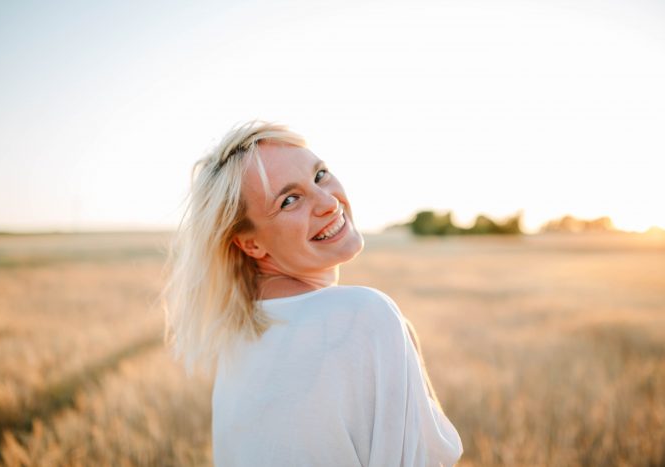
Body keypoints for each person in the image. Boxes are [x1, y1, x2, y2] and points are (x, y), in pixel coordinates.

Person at [162, 120, 463, 466]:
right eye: (289, 200)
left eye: (320, 175)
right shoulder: (364, 316)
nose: (328, 202)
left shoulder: (238, 337)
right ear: (250, 243)